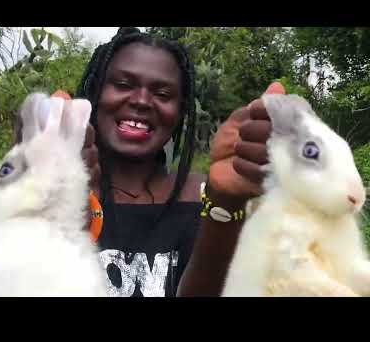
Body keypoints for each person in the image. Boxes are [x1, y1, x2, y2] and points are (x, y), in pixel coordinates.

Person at [24, 27, 285, 297]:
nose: (141, 101)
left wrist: (226, 204)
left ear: (181, 111)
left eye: (162, 94)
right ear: (94, 91)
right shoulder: (55, 187)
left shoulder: (205, 197)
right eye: (123, 85)